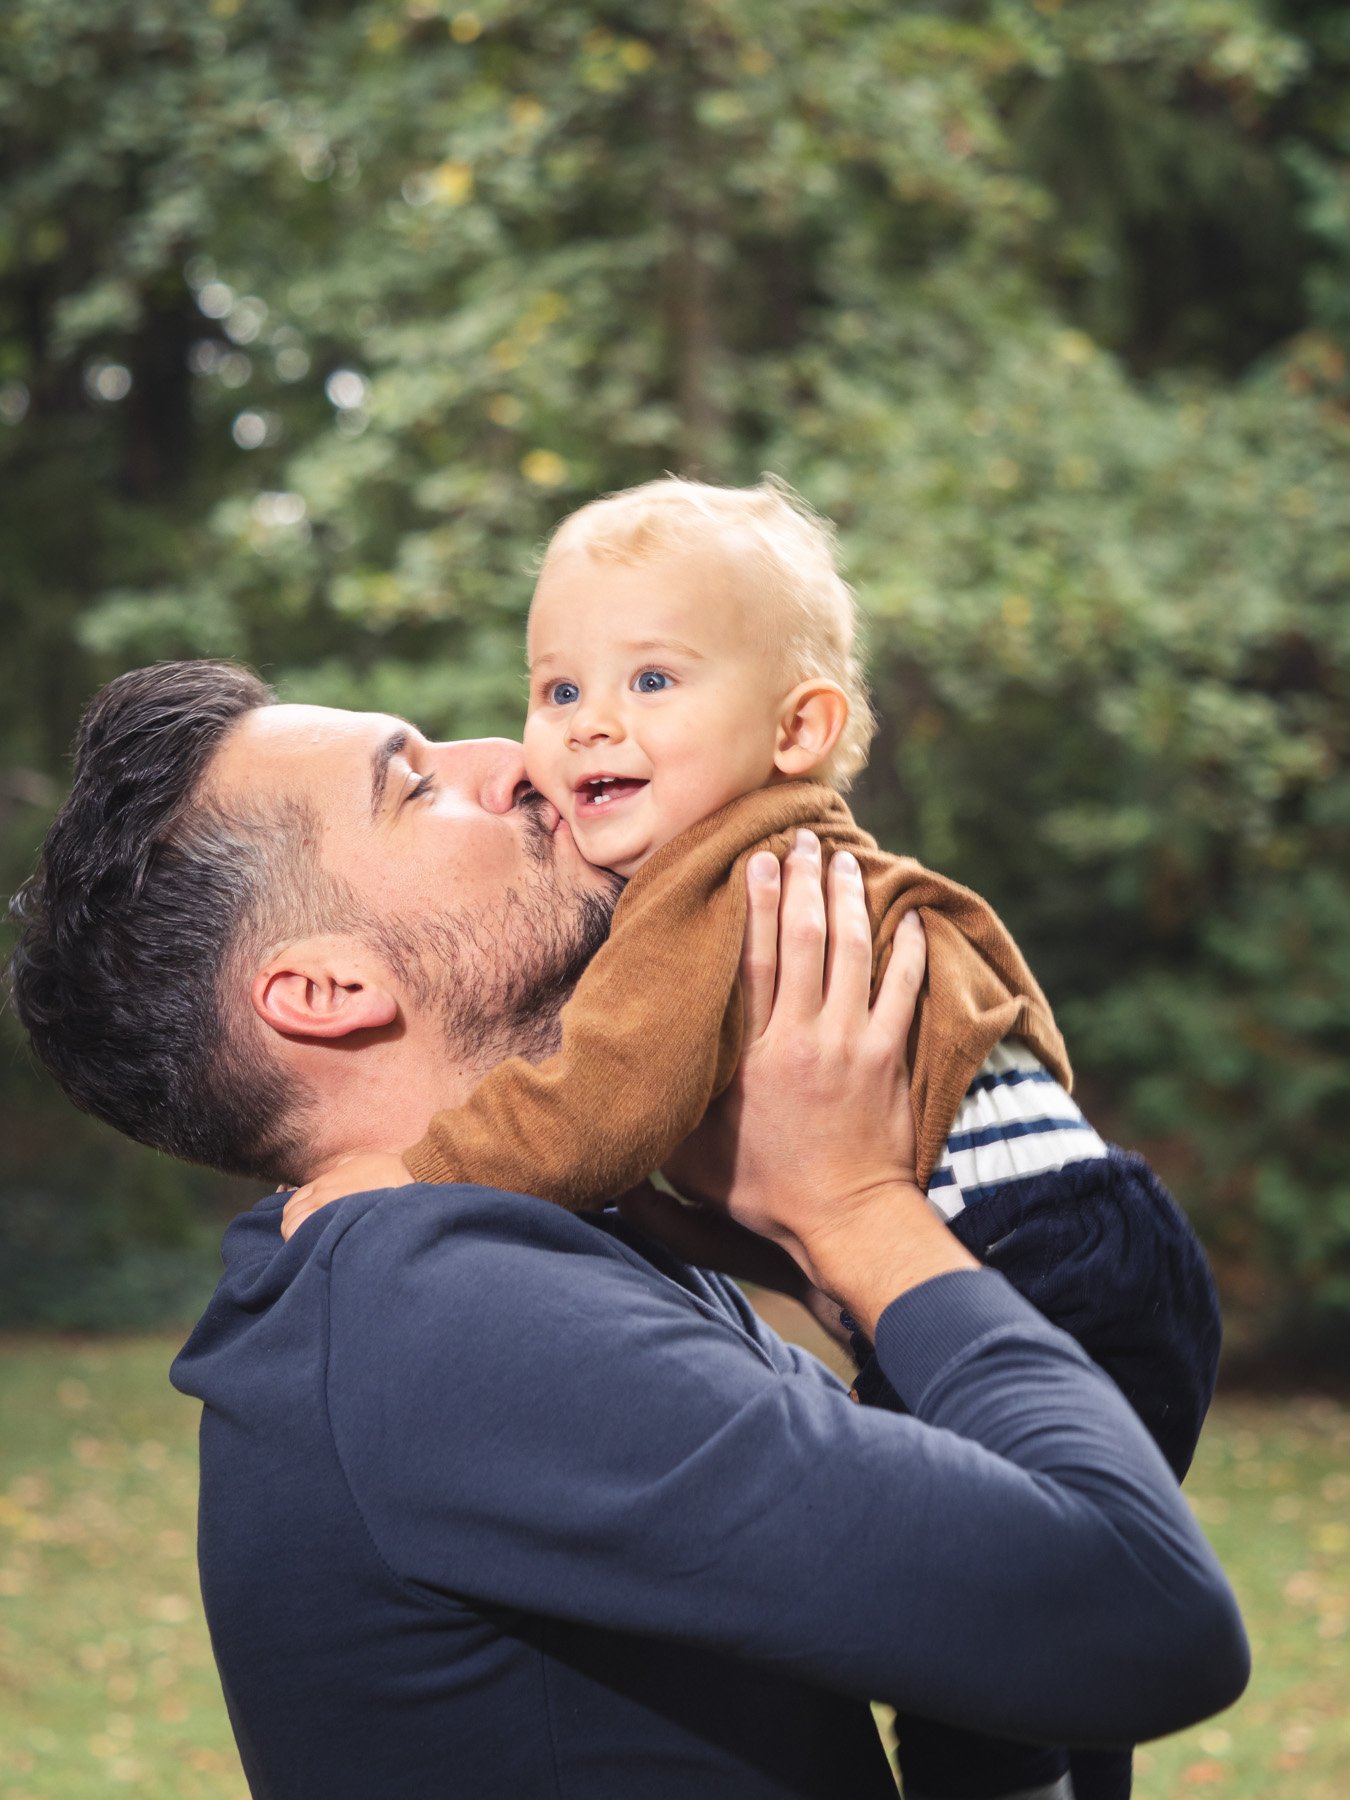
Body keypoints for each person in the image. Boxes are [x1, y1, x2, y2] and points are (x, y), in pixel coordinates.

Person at [6, 661, 1248, 1800]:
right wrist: (857, 1214)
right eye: (415, 781)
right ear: (328, 991)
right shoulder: (437, 1314)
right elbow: (1142, 1618)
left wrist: (805, 1243)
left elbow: (1002, 1683)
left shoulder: (529, 1254)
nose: (512, 755)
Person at [276, 479, 1225, 1800]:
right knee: (1031, 1691)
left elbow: (598, 1097)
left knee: (988, 1685)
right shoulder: (819, 860)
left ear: (799, 726)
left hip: (1025, 1254)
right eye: (557, 690)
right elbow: (988, 988)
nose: (586, 724)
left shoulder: (710, 883)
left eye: (653, 679)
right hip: (1086, 1227)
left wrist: (414, 1173)